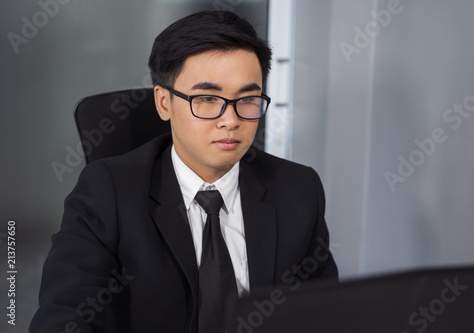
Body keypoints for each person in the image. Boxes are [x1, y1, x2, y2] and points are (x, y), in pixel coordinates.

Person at [30, 10, 338, 333]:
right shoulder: (107, 193)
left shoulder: (299, 190)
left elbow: (324, 315)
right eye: (207, 98)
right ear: (164, 103)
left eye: (247, 99)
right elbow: (62, 318)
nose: (230, 120)